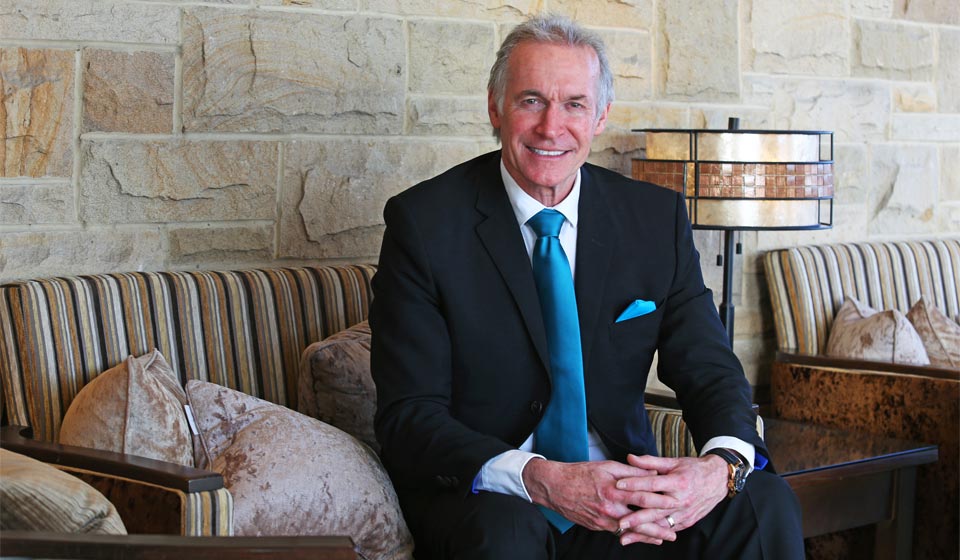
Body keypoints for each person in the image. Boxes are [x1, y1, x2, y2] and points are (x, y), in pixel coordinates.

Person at [370, 13, 803, 560]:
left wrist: (723, 467)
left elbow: (709, 370)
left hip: (622, 492)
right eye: (531, 100)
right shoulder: (425, 225)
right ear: (494, 108)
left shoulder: (654, 219)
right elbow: (409, 416)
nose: (552, 127)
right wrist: (544, 479)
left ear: (600, 116)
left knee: (762, 504)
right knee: (505, 535)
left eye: (574, 104)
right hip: (498, 494)